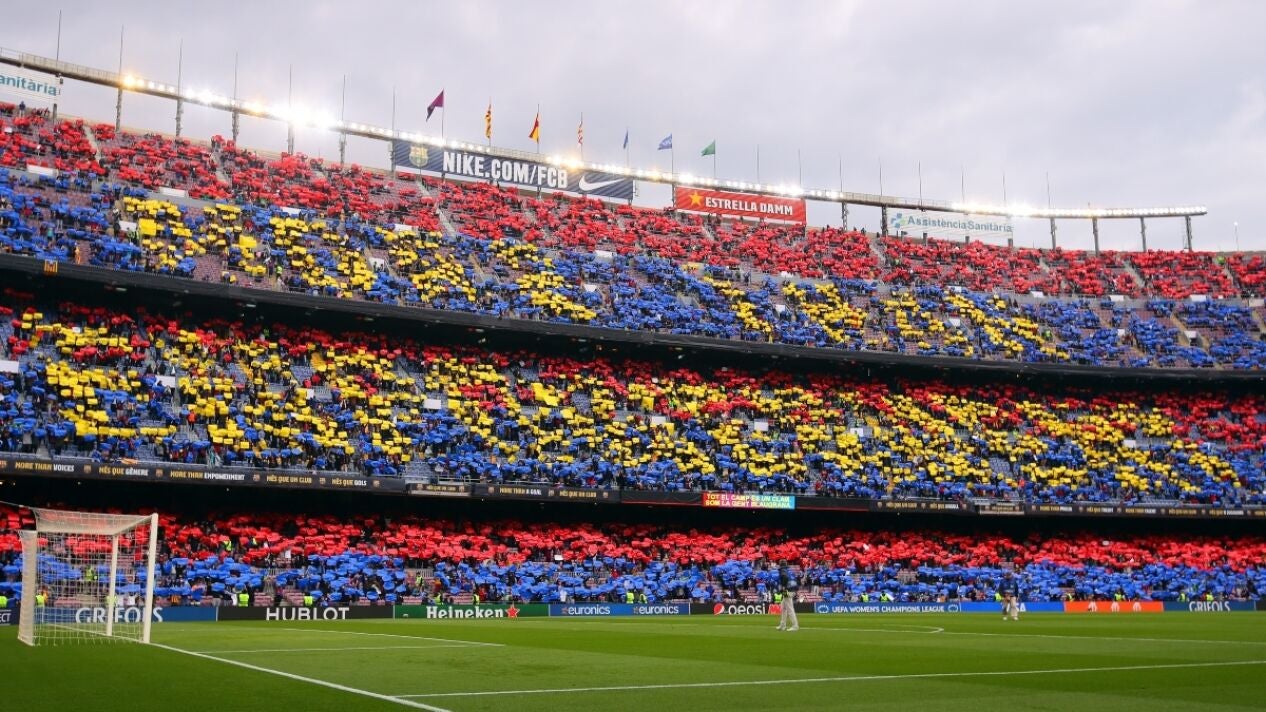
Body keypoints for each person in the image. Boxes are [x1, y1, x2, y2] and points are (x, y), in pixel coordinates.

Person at [776, 561, 799, 632]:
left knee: (789, 608)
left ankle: (795, 626)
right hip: (792, 590)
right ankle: (783, 625)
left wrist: (783, 587)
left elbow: (785, 578)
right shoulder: (788, 571)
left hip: (787, 590)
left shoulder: (782, 571)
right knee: (783, 608)